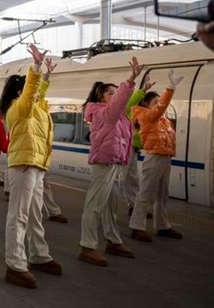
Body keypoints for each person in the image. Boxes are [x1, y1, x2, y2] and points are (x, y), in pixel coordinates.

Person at [0, 44, 61, 289]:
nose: (32, 93)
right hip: (23, 165)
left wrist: (46, 76)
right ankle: (15, 264)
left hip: (36, 165)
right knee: (19, 215)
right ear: (19, 91)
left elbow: (38, 95)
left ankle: (38, 254)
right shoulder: (18, 108)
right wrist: (35, 68)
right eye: (26, 89)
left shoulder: (35, 107)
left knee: (35, 214)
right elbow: (31, 94)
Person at [78, 57, 143, 267]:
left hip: (114, 163)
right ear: (102, 97)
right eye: (111, 93)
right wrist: (130, 80)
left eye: (116, 92)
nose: (114, 96)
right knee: (95, 205)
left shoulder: (118, 115)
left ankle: (113, 240)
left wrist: (139, 89)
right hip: (104, 164)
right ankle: (87, 246)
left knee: (110, 205)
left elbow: (124, 105)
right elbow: (119, 104)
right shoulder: (102, 113)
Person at [129, 70, 184, 242]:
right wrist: (171, 88)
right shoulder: (145, 116)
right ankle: (137, 226)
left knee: (162, 194)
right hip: (153, 157)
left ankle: (163, 225)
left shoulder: (163, 121)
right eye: (155, 101)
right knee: (146, 193)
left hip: (165, 157)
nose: (159, 104)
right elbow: (160, 108)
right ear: (146, 104)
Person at [123, 73, 154, 217]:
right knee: (120, 178)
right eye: (154, 102)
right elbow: (129, 104)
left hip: (134, 150)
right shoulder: (132, 112)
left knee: (132, 179)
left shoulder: (148, 116)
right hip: (125, 149)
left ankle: (134, 205)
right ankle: (105, 207)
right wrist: (143, 90)